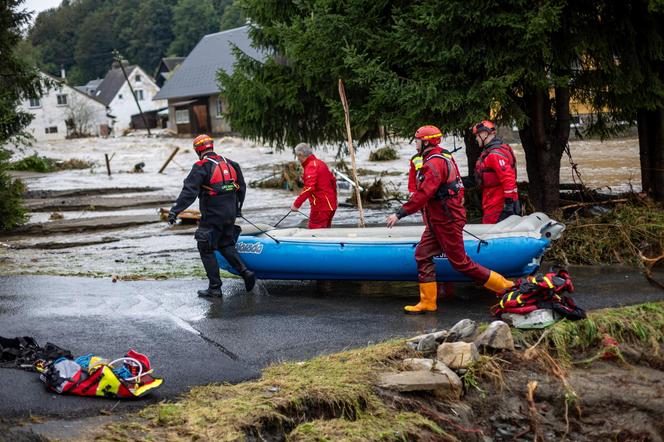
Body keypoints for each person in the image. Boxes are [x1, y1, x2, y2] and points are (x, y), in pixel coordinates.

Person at [387, 125, 514, 314]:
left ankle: (506, 287)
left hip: (447, 220)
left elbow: (424, 193)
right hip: (437, 220)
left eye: (417, 141)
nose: (415, 144)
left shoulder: (433, 164)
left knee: (461, 262)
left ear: (426, 142)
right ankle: (428, 302)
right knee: (422, 254)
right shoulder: (436, 158)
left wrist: (400, 213)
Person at [168, 134, 256, 297]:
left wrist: (175, 211)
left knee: (205, 247)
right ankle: (246, 273)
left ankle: (215, 287)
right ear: (211, 147)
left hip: (212, 215)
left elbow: (189, 192)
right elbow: (241, 188)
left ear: (197, 150)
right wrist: (238, 209)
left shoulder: (201, 166)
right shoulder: (231, 163)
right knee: (225, 245)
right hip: (230, 213)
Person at [471, 120, 519, 223]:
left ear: (484, 134)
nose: (476, 138)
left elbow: (508, 179)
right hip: (493, 198)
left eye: (477, 135)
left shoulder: (494, 155)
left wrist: (508, 205)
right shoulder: (499, 149)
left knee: (491, 229)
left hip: (497, 202)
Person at [290, 142, 337, 229]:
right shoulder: (320, 163)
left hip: (321, 207)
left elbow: (309, 188)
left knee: (314, 231)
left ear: (301, 154)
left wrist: (296, 204)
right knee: (325, 231)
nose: (298, 159)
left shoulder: (311, 166)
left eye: (297, 156)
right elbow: (333, 182)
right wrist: (334, 201)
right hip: (331, 205)